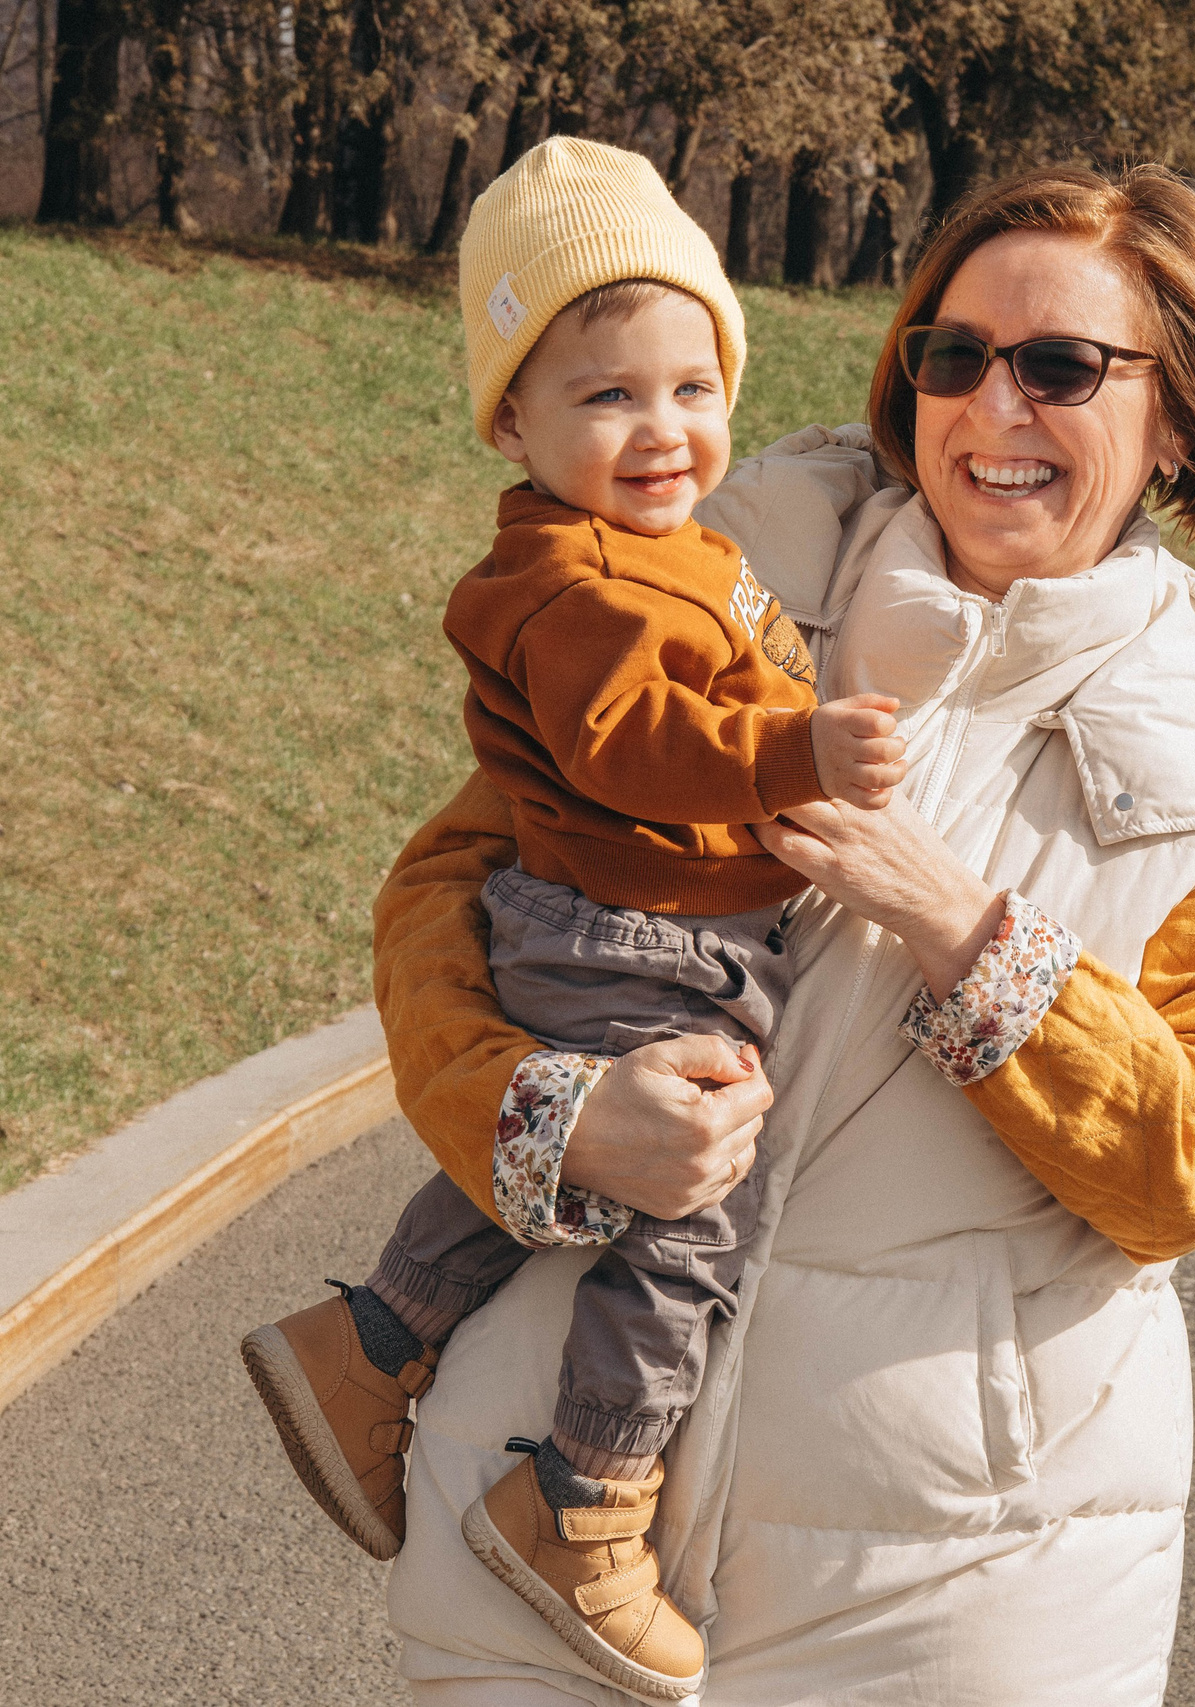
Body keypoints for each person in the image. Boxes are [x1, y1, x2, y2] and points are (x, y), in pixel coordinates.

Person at [366, 163, 1195, 1704]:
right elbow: (439, 909)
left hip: (968, 1582)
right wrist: (564, 1120)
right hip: (546, 1529)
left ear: (1183, 418)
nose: (991, 405)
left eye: (1060, 367)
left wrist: (973, 942)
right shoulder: (709, 567)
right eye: (953, 354)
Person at [239, 137, 917, 1701]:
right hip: (629, 927)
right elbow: (635, 745)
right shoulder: (566, 585)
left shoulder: (672, 548)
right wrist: (790, 755)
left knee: (579, 1173)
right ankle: (588, 1508)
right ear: (516, 419)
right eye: (608, 397)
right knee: (693, 1213)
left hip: (644, 923)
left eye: (692, 386)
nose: (663, 429)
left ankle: (367, 1345)